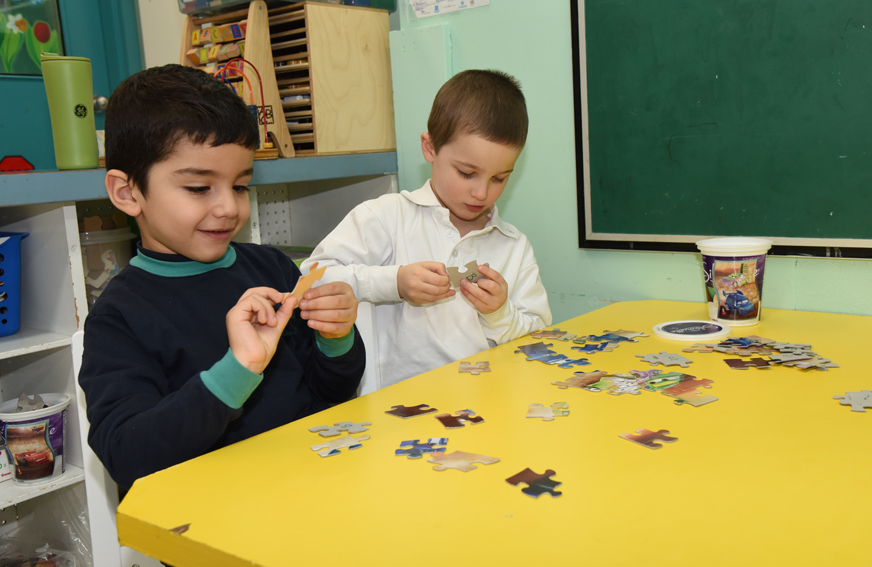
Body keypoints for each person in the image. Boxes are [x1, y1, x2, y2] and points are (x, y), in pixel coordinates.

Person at [78, 64, 365, 492]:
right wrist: (239, 369)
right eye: (198, 188)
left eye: (240, 186)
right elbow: (127, 455)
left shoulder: (271, 268)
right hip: (210, 526)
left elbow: (333, 391)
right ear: (127, 192)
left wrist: (336, 337)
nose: (229, 208)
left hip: (312, 488)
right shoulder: (118, 318)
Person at [302, 69, 551, 389]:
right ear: (430, 148)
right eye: (466, 172)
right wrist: (394, 282)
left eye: (499, 178)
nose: (482, 193)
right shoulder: (386, 217)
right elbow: (311, 278)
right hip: (391, 417)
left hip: (485, 412)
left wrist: (501, 313)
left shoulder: (514, 246)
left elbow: (541, 340)